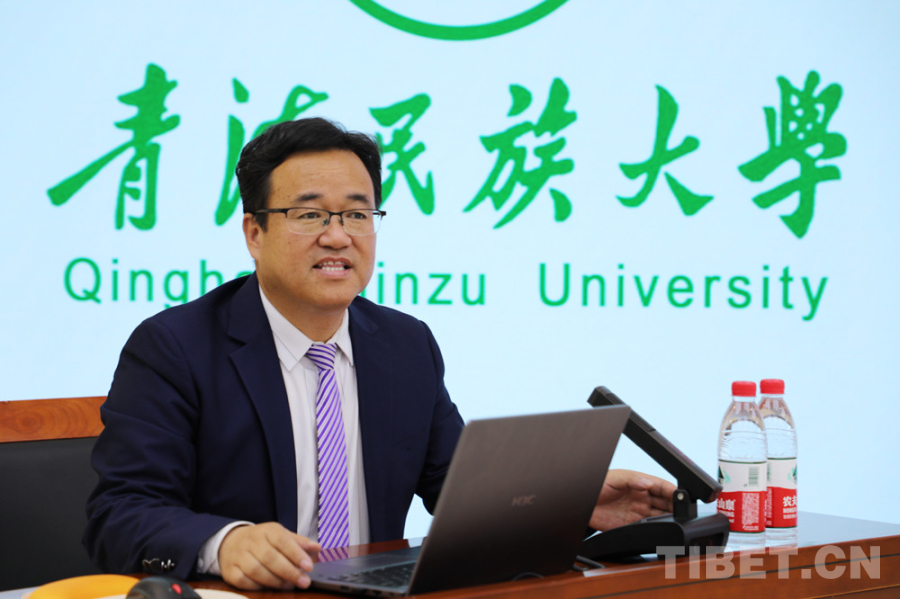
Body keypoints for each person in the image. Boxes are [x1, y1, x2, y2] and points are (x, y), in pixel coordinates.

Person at [85, 117, 675, 591]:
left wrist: (568, 499)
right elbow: (121, 513)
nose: (338, 236)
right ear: (254, 234)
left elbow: (457, 489)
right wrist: (226, 542)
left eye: (357, 214)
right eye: (309, 214)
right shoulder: (177, 347)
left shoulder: (403, 344)